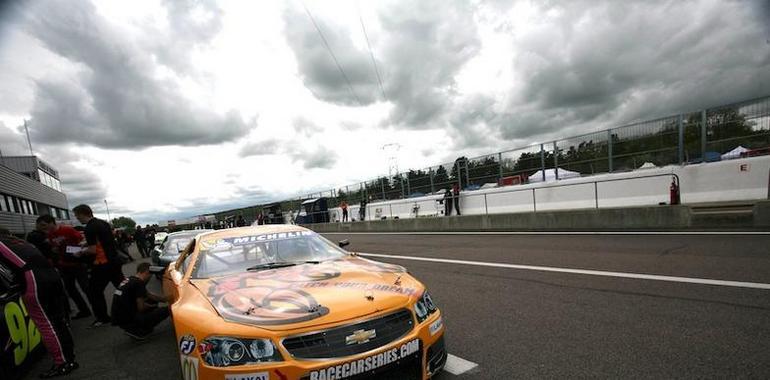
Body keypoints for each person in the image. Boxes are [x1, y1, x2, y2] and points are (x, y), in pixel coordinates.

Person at [0, 233, 79, 377]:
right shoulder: (15, 240)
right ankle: (69, 359)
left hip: (33, 279)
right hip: (51, 275)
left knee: (46, 324)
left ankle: (62, 363)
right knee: (58, 321)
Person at [72, 204, 125, 328]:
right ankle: (139, 305)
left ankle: (102, 318)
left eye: (77, 215)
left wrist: (80, 252)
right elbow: (103, 240)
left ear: (83, 214)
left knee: (93, 292)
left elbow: (92, 250)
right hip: (114, 261)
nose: (76, 218)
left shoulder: (89, 228)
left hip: (102, 264)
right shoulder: (103, 223)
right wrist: (84, 243)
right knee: (123, 286)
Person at [38, 215, 92, 320]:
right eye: (41, 226)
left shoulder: (67, 229)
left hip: (78, 264)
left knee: (86, 288)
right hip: (64, 265)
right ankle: (84, 310)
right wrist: (55, 249)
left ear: (52, 222)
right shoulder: (50, 235)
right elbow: (54, 246)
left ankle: (97, 309)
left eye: (44, 225)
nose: (44, 228)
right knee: (70, 290)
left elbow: (83, 241)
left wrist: (76, 250)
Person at [111, 262, 169, 340]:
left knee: (152, 301)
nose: (150, 278)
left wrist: (166, 299)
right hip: (127, 318)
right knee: (166, 310)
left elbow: (149, 295)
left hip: (119, 317)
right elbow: (141, 308)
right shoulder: (139, 283)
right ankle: (138, 330)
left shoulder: (131, 279)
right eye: (150, 275)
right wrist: (154, 306)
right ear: (146, 273)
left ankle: (137, 327)